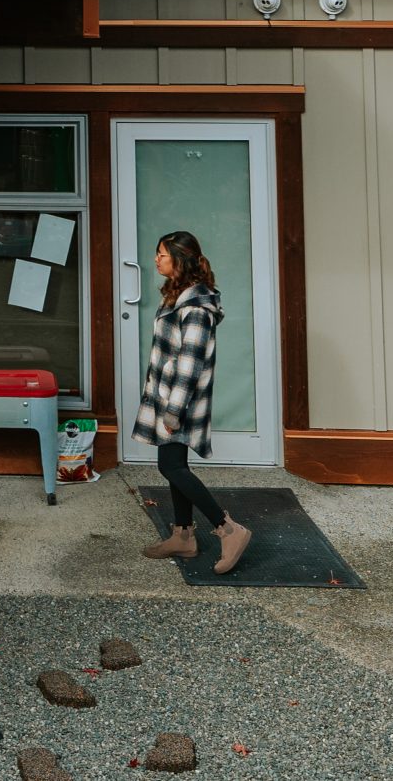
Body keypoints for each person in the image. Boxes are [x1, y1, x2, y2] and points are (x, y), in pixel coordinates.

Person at [134, 229, 251, 573]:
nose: (156, 259)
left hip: (179, 399)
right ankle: (183, 536)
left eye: (162, 254)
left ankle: (229, 529)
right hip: (169, 395)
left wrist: (173, 410)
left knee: (171, 466)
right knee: (174, 464)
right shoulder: (177, 296)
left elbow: (190, 364)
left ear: (180, 260)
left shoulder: (196, 308)